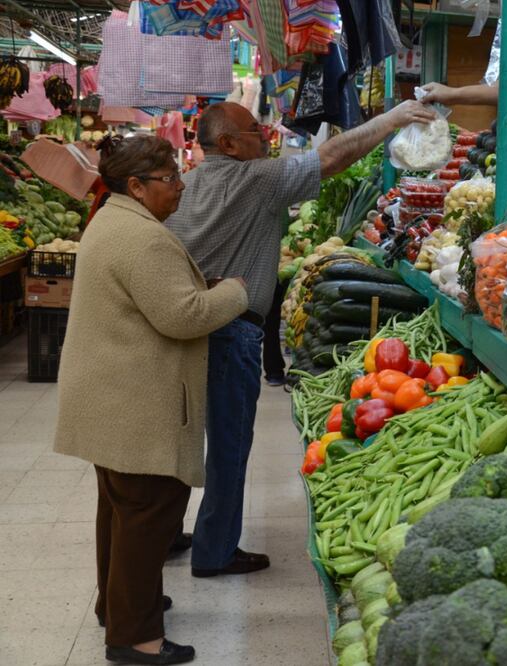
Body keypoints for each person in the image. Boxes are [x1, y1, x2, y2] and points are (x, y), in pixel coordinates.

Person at [165, 99, 437, 579]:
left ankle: (163, 534)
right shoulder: (257, 179)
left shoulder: (184, 187)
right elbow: (331, 157)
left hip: (184, 325)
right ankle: (214, 551)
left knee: (177, 436)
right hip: (232, 330)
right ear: (227, 143)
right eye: (254, 129)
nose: (266, 135)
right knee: (228, 443)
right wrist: (391, 120)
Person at [54, 135, 249, 665]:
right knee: (149, 513)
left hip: (107, 396)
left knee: (119, 511)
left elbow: (153, 298)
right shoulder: (144, 239)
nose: (180, 187)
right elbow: (182, 316)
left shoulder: (111, 221)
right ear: (136, 186)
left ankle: (118, 606)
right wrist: (234, 290)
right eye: (169, 179)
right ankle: (135, 637)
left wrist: (194, 287)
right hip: (133, 403)